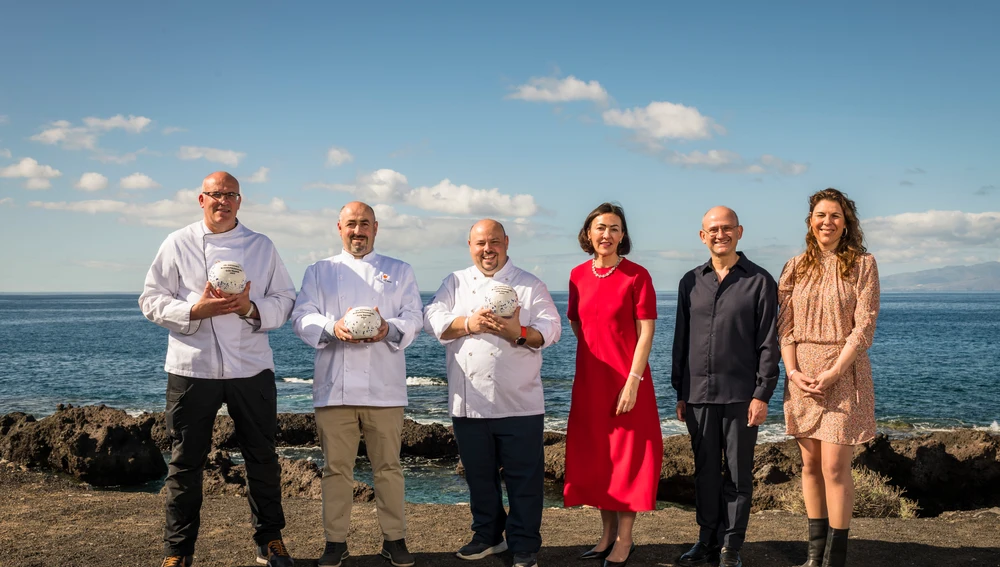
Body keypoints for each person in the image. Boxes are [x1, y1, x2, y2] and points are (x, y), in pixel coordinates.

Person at [139, 171, 296, 567]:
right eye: (215, 195)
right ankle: (178, 551)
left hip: (251, 367)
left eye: (230, 195)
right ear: (201, 199)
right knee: (185, 462)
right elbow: (151, 300)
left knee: (261, 457)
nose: (222, 201)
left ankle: (270, 541)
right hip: (193, 367)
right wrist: (195, 310)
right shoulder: (178, 242)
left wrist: (249, 309)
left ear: (239, 201)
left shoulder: (261, 246)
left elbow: (285, 299)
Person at [291, 201, 423, 567]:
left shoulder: (399, 270)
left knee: (389, 468)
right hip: (335, 387)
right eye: (351, 224)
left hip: (385, 387)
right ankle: (335, 542)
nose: (358, 230)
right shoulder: (319, 271)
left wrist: (388, 329)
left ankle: (394, 539)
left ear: (376, 228)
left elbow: (415, 317)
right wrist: (333, 328)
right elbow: (302, 316)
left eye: (365, 224)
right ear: (339, 228)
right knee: (336, 470)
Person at [424, 219, 562, 567]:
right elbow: (432, 317)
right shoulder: (454, 282)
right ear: (470, 245)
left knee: (524, 480)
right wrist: (470, 323)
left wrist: (517, 332)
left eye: (495, 242)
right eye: (480, 243)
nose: (488, 249)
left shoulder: (530, 284)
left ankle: (524, 544)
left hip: (519, 402)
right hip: (468, 401)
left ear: (506, 243)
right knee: (479, 476)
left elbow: (552, 328)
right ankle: (488, 535)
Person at [672, 206, 779, 567]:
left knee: (737, 474)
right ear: (703, 236)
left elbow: (768, 343)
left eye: (727, 228)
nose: (721, 234)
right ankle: (705, 540)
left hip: (740, 396)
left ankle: (730, 546)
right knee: (704, 474)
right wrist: (680, 392)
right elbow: (681, 340)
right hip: (698, 395)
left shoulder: (760, 281)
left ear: (740, 232)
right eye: (713, 229)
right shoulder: (690, 281)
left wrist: (762, 394)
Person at [777, 189, 880, 567]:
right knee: (809, 466)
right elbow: (784, 328)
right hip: (801, 376)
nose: (827, 222)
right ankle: (813, 556)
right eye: (821, 215)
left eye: (835, 216)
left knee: (835, 468)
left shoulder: (863, 265)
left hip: (843, 373)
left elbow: (864, 326)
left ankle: (835, 559)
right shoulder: (794, 267)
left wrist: (835, 370)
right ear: (810, 221)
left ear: (846, 222)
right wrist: (793, 372)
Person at [564, 202, 662, 567]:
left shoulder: (638, 275)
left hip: (627, 380)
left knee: (627, 460)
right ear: (588, 234)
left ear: (624, 235)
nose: (607, 235)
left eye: (615, 228)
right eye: (600, 228)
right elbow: (577, 324)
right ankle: (605, 536)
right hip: (590, 381)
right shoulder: (576, 275)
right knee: (598, 459)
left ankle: (625, 539)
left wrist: (633, 380)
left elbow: (646, 331)